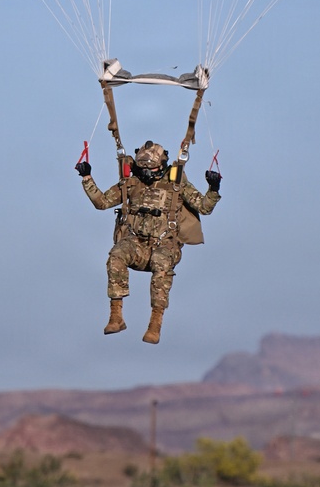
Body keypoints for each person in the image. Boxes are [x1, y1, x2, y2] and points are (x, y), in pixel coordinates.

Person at [76, 141, 221, 343]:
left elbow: (204, 207)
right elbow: (102, 202)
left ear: (161, 165)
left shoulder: (176, 184)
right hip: (136, 244)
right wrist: (87, 178)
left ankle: (155, 324)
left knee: (162, 262)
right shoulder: (131, 183)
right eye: (143, 168)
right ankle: (116, 316)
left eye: (151, 168)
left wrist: (213, 188)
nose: (147, 173)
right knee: (116, 254)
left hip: (165, 246)